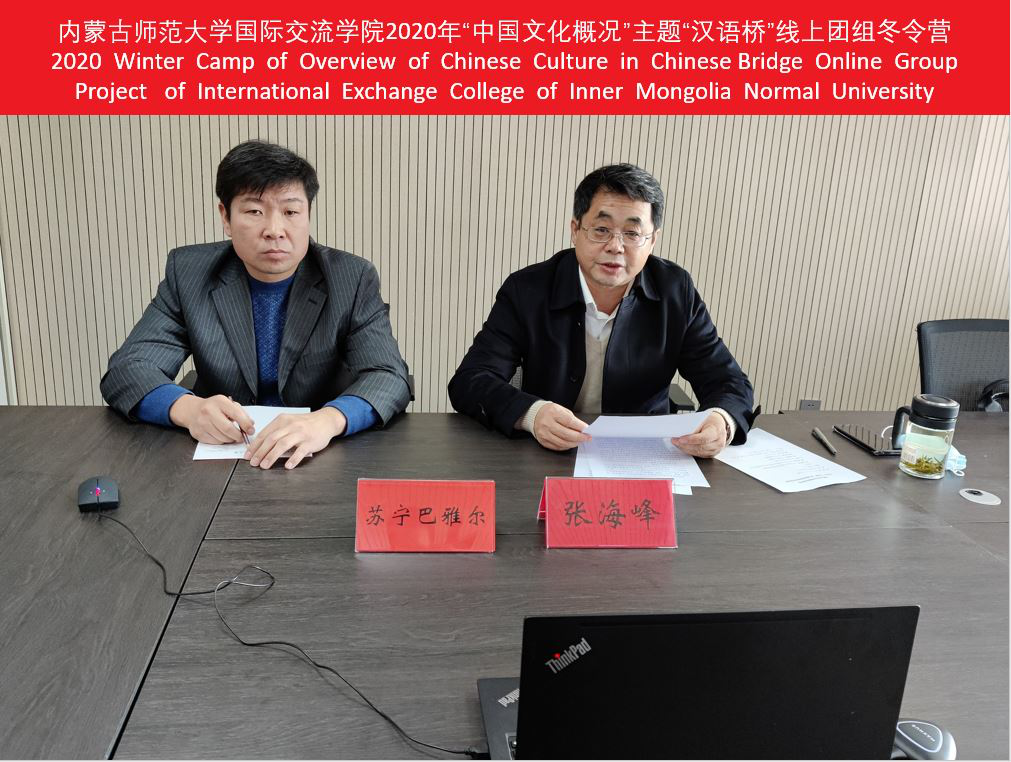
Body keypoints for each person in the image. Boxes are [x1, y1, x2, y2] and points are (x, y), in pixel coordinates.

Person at [101, 140, 410, 469]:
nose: (274, 231)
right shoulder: (189, 274)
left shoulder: (351, 278)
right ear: (226, 216)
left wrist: (329, 420)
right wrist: (188, 410)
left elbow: (388, 375)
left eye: (290, 212)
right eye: (254, 211)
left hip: (318, 458)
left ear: (308, 214)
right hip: (219, 455)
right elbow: (128, 369)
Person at [448, 163, 756, 457]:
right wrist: (532, 414)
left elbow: (728, 382)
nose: (615, 246)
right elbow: (471, 379)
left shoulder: (675, 291)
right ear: (575, 230)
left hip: (643, 456)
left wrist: (722, 420)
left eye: (632, 234)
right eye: (601, 229)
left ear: (653, 241)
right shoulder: (528, 290)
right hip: (549, 453)